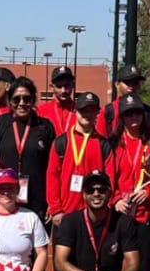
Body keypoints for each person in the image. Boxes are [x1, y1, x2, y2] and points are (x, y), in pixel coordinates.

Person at [110, 93, 150, 271]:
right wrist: (115, 199)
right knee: (114, 261)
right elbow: (107, 177)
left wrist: (149, 191)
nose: (134, 119)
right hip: (119, 212)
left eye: (137, 114)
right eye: (128, 114)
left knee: (145, 263)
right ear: (121, 117)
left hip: (143, 213)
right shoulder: (113, 143)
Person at [0, 77, 54, 220]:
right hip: (5, 200)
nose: (22, 103)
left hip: (37, 201)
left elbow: (53, 168)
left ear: (33, 100)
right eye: (17, 99)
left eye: (27, 99)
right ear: (10, 101)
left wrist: (52, 202)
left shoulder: (45, 127)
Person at [46, 92, 113, 227]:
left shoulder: (103, 144)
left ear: (97, 113)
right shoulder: (61, 142)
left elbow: (110, 179)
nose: (87, 115)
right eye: (83, 111)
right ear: (75, 111)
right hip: (66, 213)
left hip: (95, 214)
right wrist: (56, 209)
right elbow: (52, 176)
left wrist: (107, 206)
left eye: (92, 111)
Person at [97, 64, 150, 140]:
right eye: (128, 82)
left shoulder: (149, 112)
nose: (132, 86)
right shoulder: (108, 111)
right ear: (117, 84)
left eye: (135, 82)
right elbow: (100, 141)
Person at [37, 66, 77, 137]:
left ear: (73, 85)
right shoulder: (41, 111)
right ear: (52, 87)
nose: (63, 90)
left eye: (67, 85)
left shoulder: (80, 110)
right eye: (59, 86)